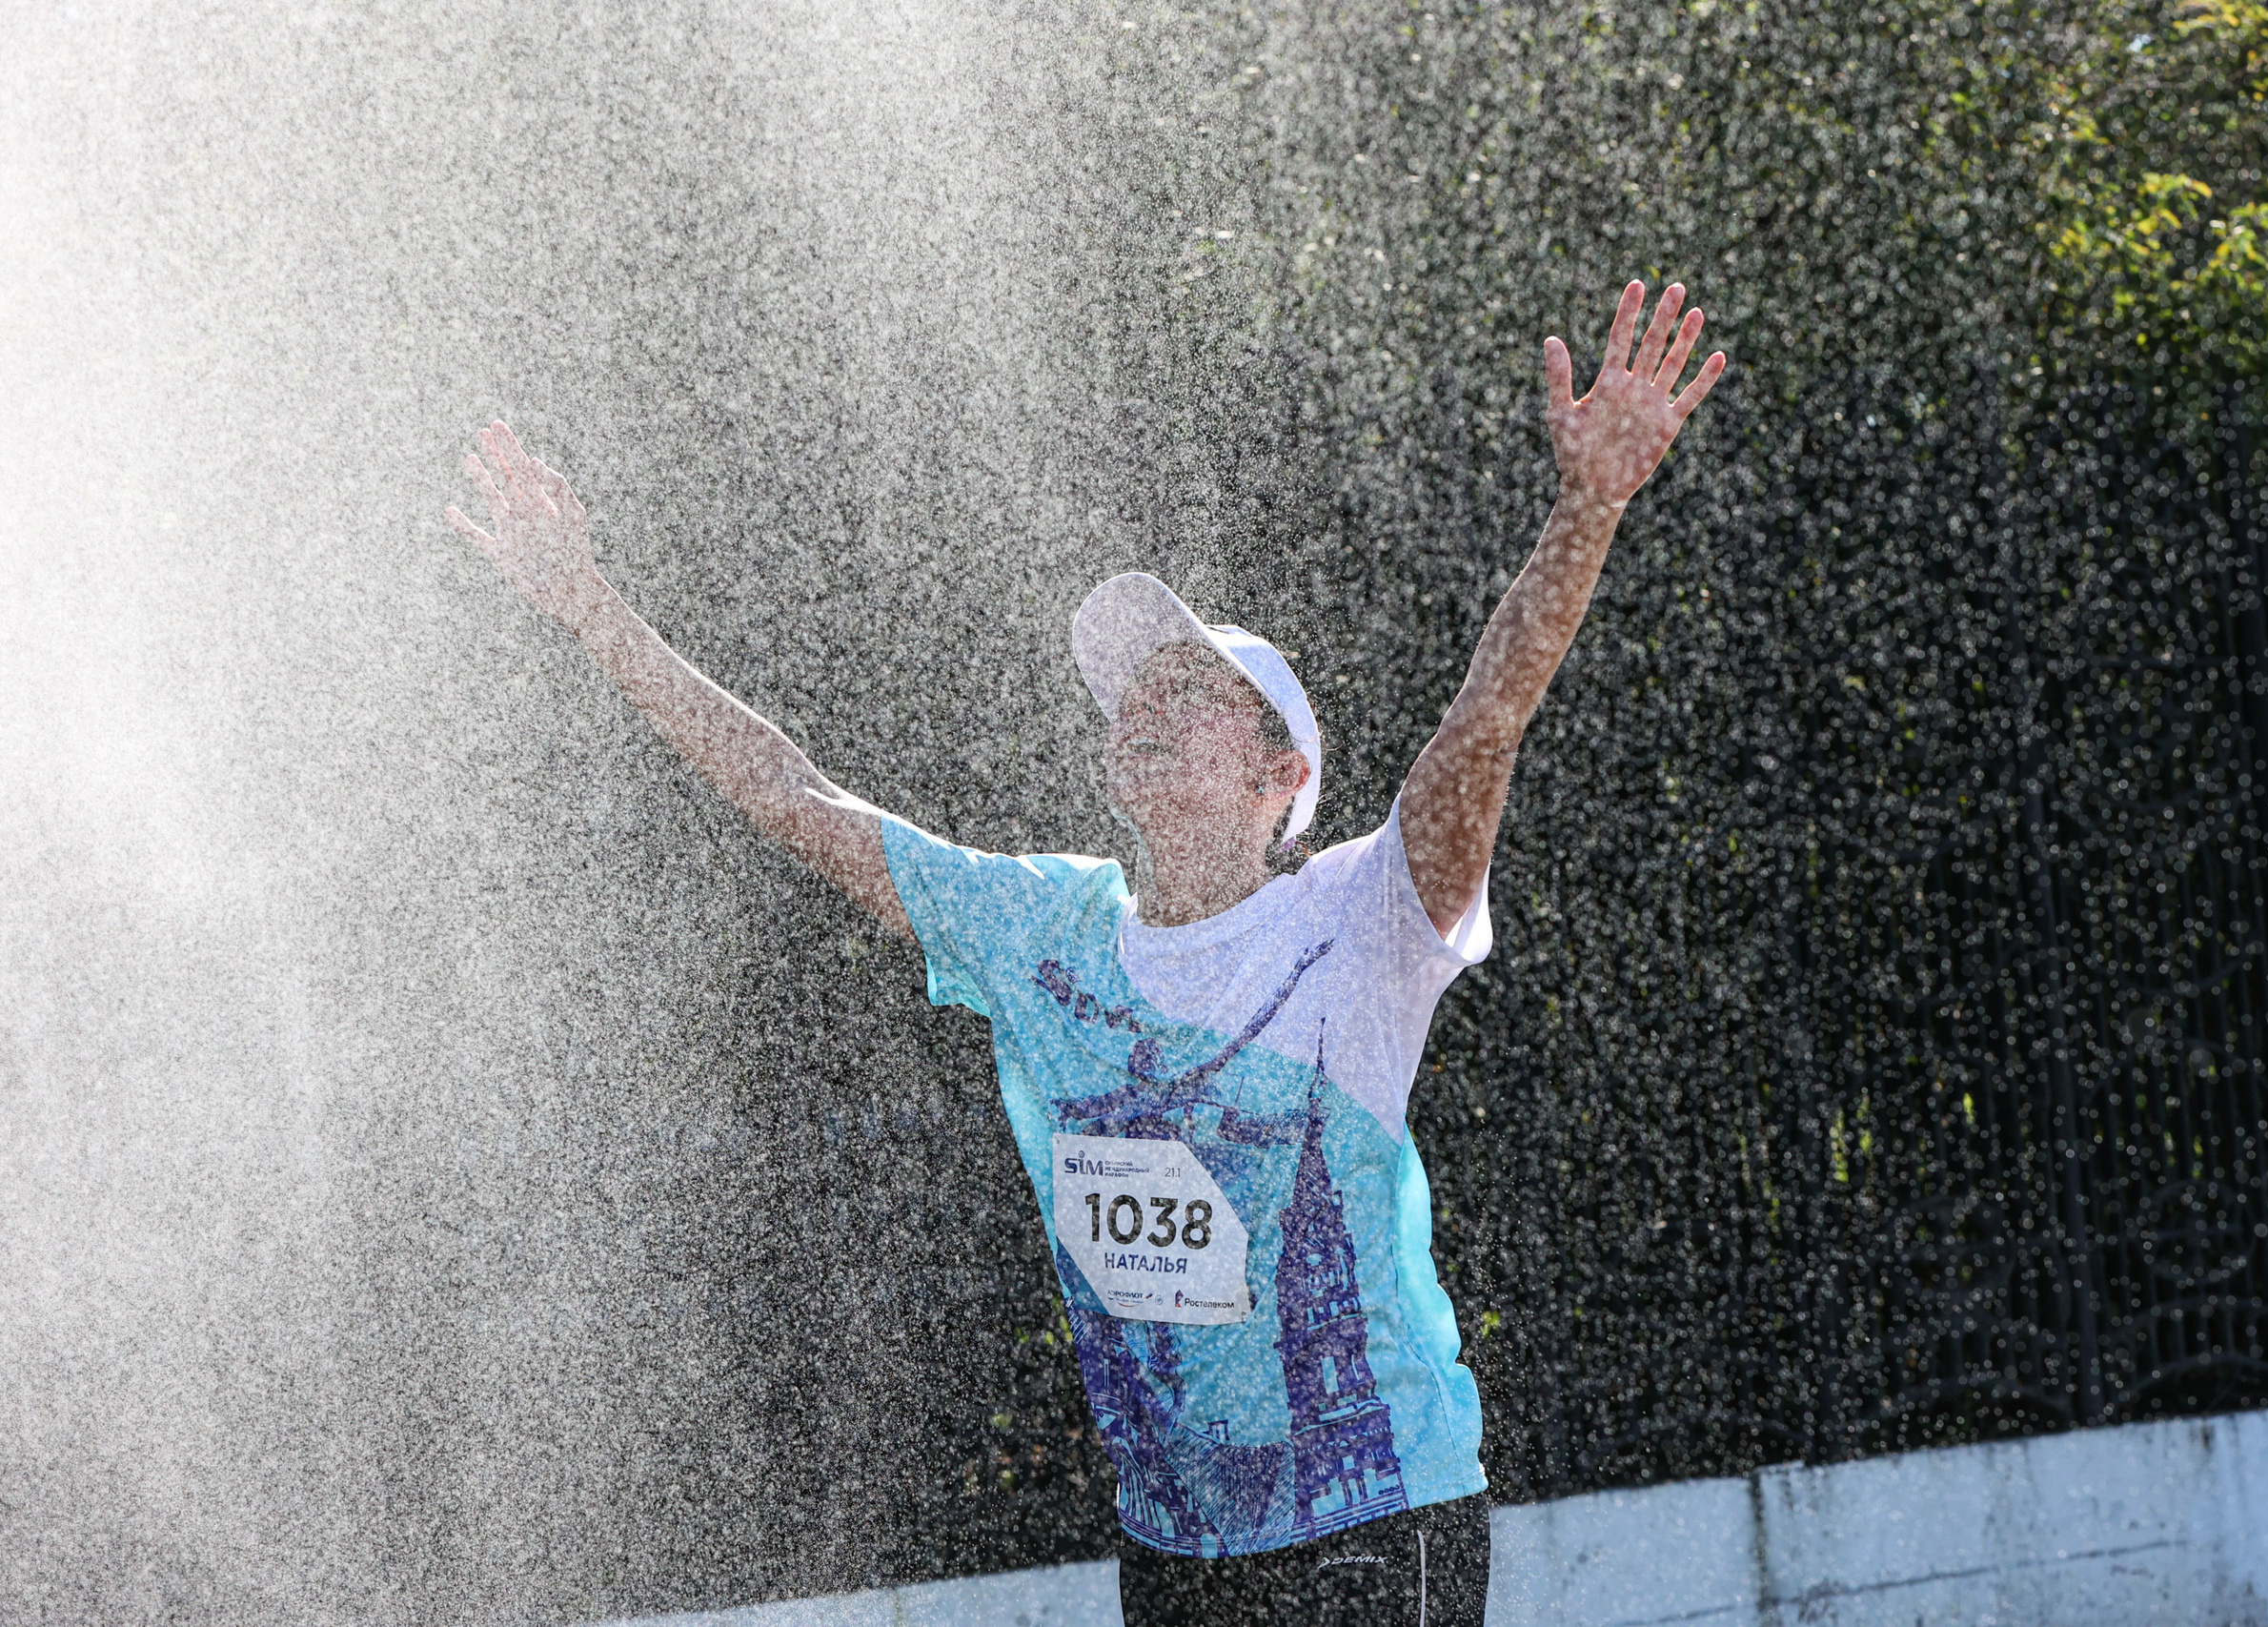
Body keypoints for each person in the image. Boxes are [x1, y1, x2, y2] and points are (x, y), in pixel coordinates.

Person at [444, 278, 1725, 1626]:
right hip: (1171, 1541)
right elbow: (792, 797)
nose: (1144, 703)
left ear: (1279, 773)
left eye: (1191, 688)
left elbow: (1491, 714)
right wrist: (590, 609)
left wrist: (1589, 507)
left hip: (1374, 1515)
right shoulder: (1040, 932)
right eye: (1132, 690)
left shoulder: (1361, 923)